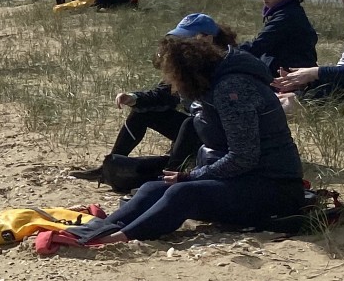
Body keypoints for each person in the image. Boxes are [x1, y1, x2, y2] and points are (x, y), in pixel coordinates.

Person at [60, 25, 304, 246]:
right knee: (150, 188)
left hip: (273, 186)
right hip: (243, 178)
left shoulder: (232, 90)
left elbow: (244, 157)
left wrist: (192, 176)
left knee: (181, 192)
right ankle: (99, 229)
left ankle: (116, 238)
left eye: (172, 77)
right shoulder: (215, 82)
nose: (171, 84)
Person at [69, 14, 228, 190]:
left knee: (192, 123)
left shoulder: (224, 65)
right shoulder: (188, 65)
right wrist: (134, 98)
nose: (180, 45)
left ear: (207, 38)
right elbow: (162, 95)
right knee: (143, 112)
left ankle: (168, 177)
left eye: (186, 39)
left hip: (220, 136)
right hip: (196, 128)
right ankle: (107, 168)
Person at [241, 0, 318, 75]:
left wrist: (225, 51)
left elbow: (257, 46)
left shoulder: (287, 16)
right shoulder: (288, 11)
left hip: (290, 80)